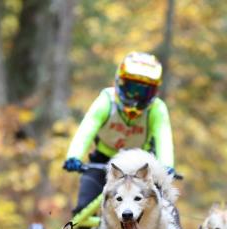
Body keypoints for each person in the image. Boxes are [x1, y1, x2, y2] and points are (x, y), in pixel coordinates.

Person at [63, 52, 175, 214]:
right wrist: (74, 156)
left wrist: (166, 167)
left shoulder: (157, 108)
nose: (136, 97)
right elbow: (87, 128)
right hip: (102, 161)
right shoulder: (106, 100)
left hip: (139, 168)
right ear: (120, 83)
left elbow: (164, 138)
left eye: (143, 92)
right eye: (131, 89)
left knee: (154, 213)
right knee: (83, 209)